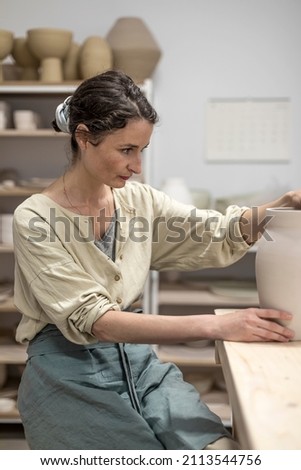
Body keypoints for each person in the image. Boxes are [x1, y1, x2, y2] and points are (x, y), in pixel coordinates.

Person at [13, 70, 298, 450]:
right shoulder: (34, 219)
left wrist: (280, 208)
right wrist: (219, 326)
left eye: (141, 151)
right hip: (67, 372)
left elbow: (213, 230)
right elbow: (98, 322)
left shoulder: (139, 201)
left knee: (221, 451)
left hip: (137, 362)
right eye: (126, 150)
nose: (137, 166)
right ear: (84, 138)